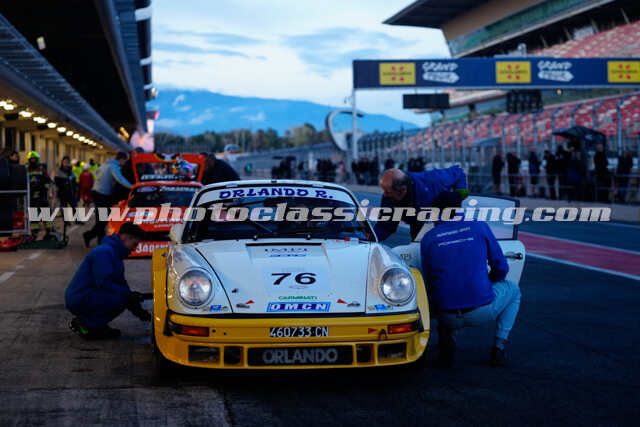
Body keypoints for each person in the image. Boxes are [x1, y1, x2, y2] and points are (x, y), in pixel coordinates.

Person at [420, 191, 521, 367]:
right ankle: (498, 348)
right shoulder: (479, 227)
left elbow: (429, 280)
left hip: (444, 315)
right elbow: (501, 266)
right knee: (514, 290)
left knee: (441, 292)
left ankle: (445, 340)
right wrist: (491, 281)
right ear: (459, 208)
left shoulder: (428, 238)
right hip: (480, 311)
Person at [66, 222, 150, 339]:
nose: (135, 249)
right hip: (80, 298)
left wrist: (137, 309)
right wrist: (127, 296)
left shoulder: (114, 253)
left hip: (87, 295)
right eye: (135, 244)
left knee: (123, 297)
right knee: (120, 300)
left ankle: (96, 325)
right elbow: (103, 283)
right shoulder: (104, 252)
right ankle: (86, 324)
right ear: (125, 237)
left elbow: (121, 283)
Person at [373, 167, 468, 241]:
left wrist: (458, 196)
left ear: (402, 190)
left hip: (444, 222)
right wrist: (370, 238)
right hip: (418, 225)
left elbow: (459, 172)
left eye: (388, 192)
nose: (385, 195)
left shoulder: (435, 180)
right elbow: (385, 227)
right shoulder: (389, 197)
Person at [83, 152, 133, 247]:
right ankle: (88, 235)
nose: (125, 163)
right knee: (103, 219)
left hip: (97, 193)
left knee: (101, 219)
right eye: (125, 161)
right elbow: (120, 179)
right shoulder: (114, 167)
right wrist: (132, 186)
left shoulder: (105, 165)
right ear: (121, 159)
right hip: (102, 195)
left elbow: (97, 173)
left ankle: (100, 240)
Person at [26, 151, 53, 240]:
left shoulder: (42, 169)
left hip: (42, 195)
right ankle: (34, 234)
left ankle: (48, 232)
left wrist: (44, 188)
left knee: (46, 213)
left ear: (37, 160)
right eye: (31, 159)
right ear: (29, 160)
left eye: (34, 159)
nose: (33, 161)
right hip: (32, 196)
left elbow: (48, 181)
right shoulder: (26, 170)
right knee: (33, 215)